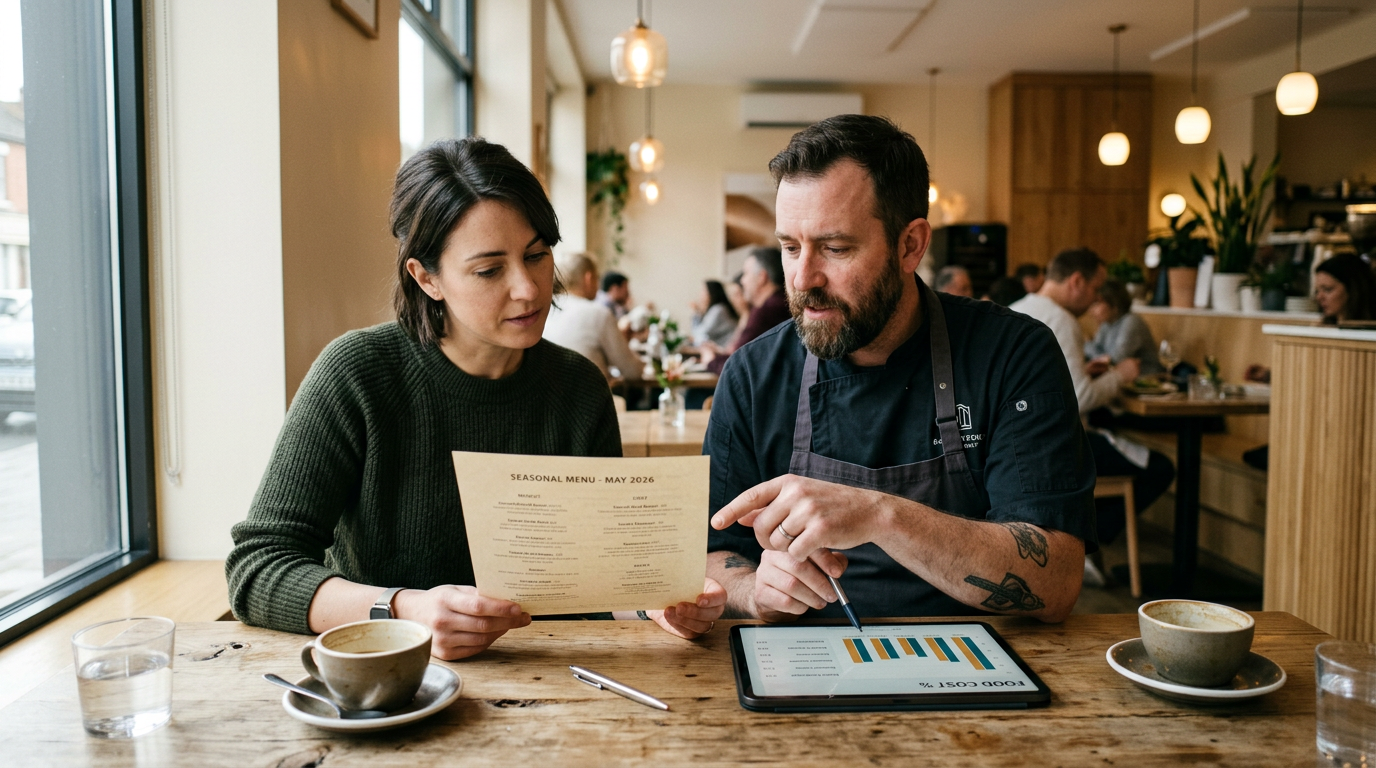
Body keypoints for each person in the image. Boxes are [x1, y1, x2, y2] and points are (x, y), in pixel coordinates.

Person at [225, 138, 724, 660]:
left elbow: (598, 580)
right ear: (426, 278)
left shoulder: (579, 387)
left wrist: (655, 605)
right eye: (489, 270)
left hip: (557, 678)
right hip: (397, 677)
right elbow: (257, 567)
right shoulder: (357, 374)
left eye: (537, 256)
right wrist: (403, 610)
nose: (529, 289)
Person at [706, 115, 1095, 625]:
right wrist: (753, 590)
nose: (802, 279)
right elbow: (713, 553)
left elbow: (1056, 580)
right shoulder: (753, 374)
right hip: (802, 658)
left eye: (835, 248)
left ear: (910, 245)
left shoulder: (1013, 354)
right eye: (790, 248)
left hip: (975, 655)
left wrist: (882, 515)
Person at [1010, 249, 1174, 562]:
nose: (1096, 298)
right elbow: (1081, 398)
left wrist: (1084, 371)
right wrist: (1120, 375)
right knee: (1160, 468)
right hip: (1057, 449)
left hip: (1018, 446)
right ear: (1076, 282)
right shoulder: (1061, 320)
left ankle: (1079, 539)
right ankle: (1085, 545)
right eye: (1096, 288)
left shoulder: (1017, 308)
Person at [543, 251, 645, 382]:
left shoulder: (545, 311)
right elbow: (632, 371)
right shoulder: (598, 313)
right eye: (597, 278)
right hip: (587, 394)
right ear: (589, 278)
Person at [701, 248, 791, 375]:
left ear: (762, 277)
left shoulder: (767, 311)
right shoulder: (780, 303)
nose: (742, 281)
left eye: (746, 273)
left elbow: (735, 368)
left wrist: (710, 360)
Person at [1085, 279, 1163, 375]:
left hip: (1149, 378)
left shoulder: (1131, 321)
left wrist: (1086, 344)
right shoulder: (1107, 323)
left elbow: (1114, 360)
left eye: (1096, 304)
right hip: (1124, 378)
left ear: (1114, 303)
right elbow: (1097, 352)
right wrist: (1089, 347)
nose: (1091, 310)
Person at [1314, 253, 1376, 325]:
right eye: (1317, 291)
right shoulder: (1321, 328)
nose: (1319, 297)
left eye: (1328, 289)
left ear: (1352, 290)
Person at [689, 279, 740, 348]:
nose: (700, 294)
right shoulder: (714, 309)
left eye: (704, 291)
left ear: (711, 293)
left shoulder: (718, 309)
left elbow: (701, 333)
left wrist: (696, 313)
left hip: (727, 349)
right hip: (721, 349)